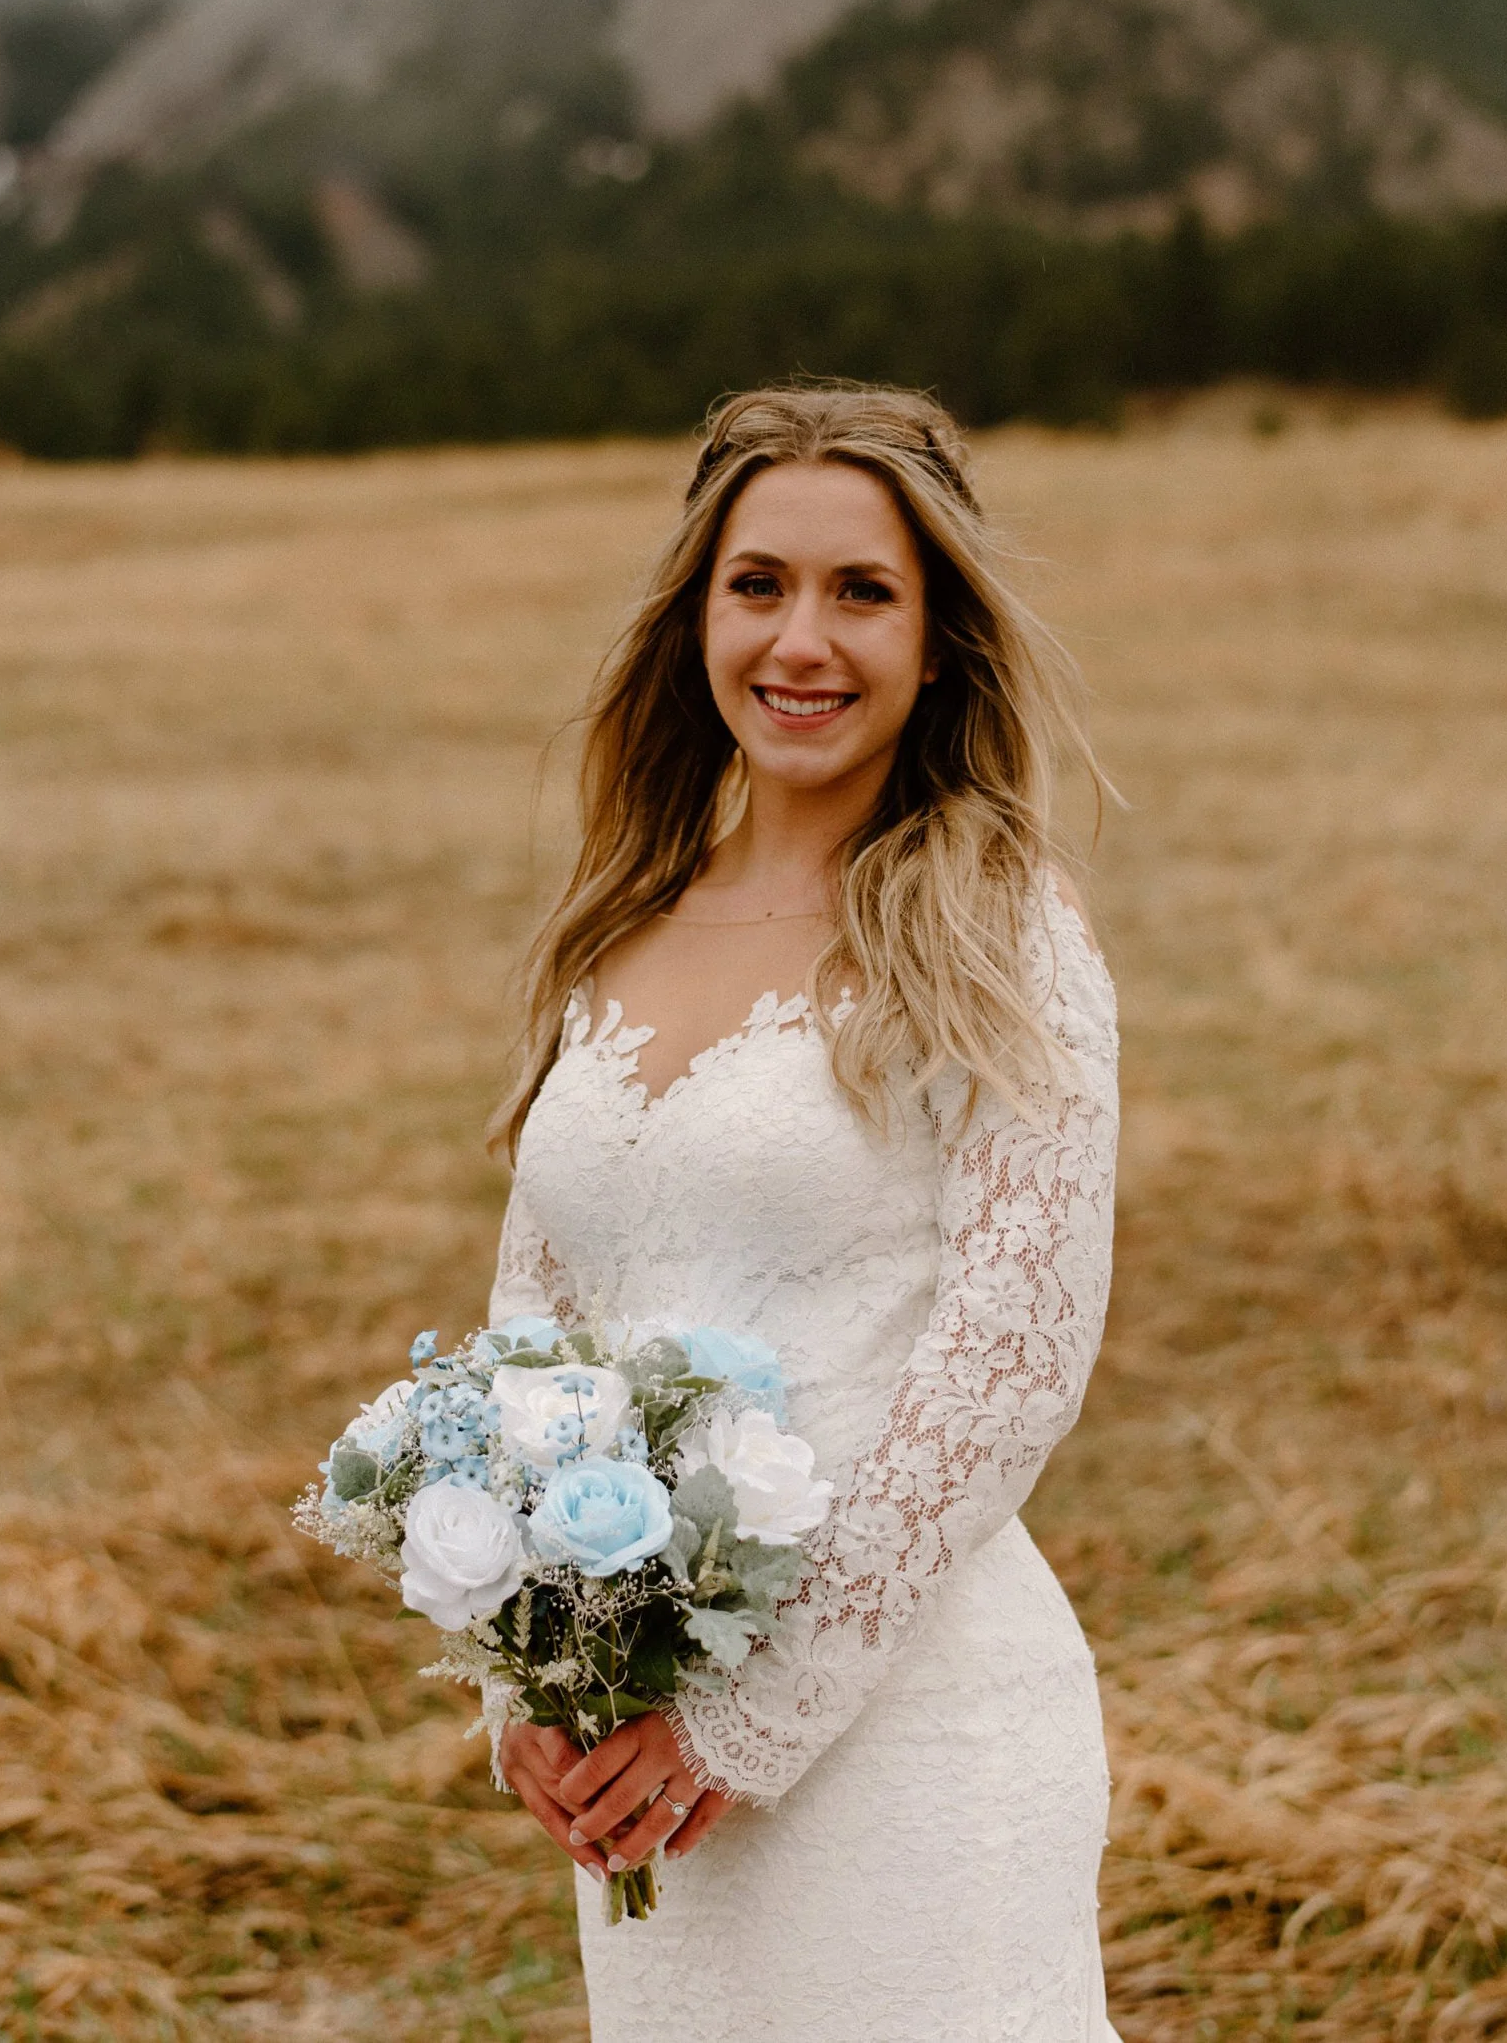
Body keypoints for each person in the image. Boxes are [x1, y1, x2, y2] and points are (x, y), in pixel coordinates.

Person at [487, 384, 1120, 2042]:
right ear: (698, 616)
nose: (802, 641)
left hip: (911, 1736)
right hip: (642, 1758)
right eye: (759, 584)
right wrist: (533, 1670)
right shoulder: (619, 925)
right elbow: (533, 1340)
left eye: (863, 593)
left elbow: (1011, 1364)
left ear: (938, 641)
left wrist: (748, 1717)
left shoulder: (996, 926)